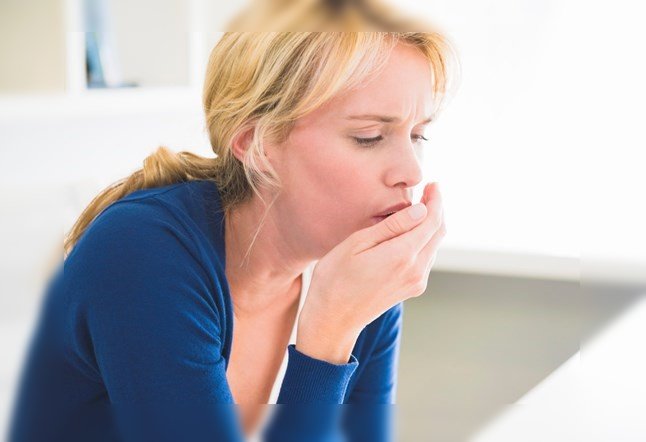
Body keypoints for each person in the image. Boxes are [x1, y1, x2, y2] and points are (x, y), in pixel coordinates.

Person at [9, 31, 456, 442]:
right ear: (255, 144)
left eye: (418, 135)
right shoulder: (142, 253)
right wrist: (327, 343)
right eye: (369, 136)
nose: (412, 172)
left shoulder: (363, 271)